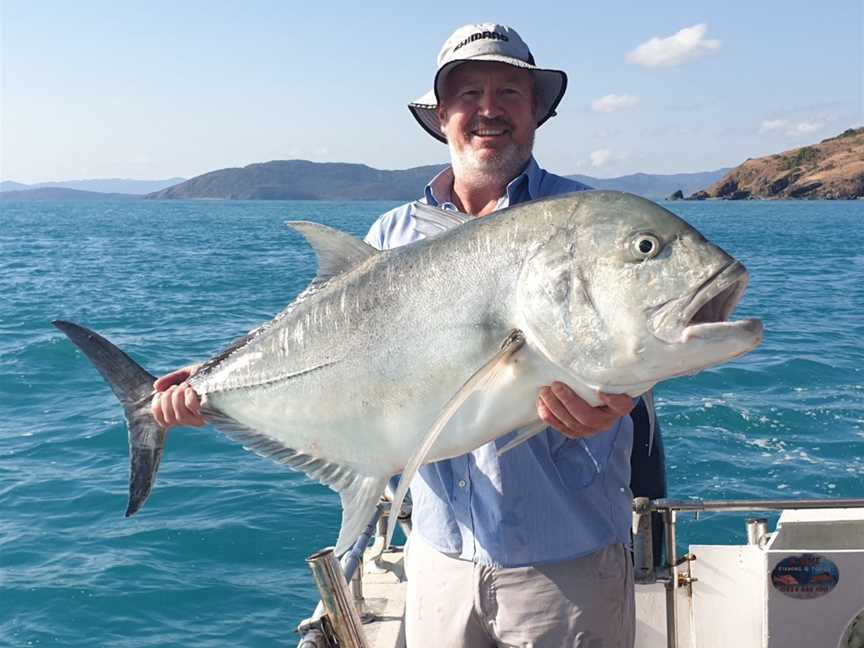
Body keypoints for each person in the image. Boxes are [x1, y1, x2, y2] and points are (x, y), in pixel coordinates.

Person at [152, 23, 665, 647]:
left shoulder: (587, 221)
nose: (488, 109)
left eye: (509, 91)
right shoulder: (393, 234)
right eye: (468, 92)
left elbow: (627, 354)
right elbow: (317, 350)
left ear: (535, 111)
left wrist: (618, 407)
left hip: (567, 564)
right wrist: (210, 384)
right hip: (437, 559)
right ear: (442, 115)